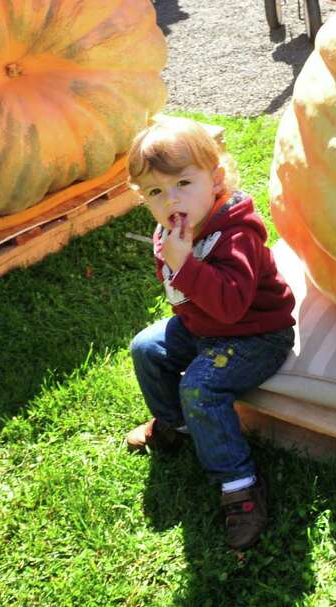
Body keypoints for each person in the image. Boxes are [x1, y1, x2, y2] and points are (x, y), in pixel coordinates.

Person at [123, 116, 296, 551]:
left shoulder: (238, 233)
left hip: (255, 336)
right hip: (203, 327)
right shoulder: (173, 231)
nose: (171, 200)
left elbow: (230, 305)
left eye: (183, 183)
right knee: (147, 347)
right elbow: (183, 296)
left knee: (200, 387)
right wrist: (178, 262)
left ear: (216, 180)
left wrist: (184, 264)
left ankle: (239, 487)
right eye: (156, 192)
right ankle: (176, 426)